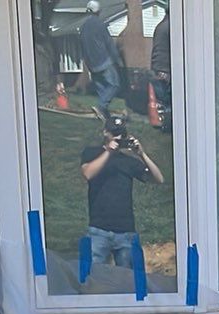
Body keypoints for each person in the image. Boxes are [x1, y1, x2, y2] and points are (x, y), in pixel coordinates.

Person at [80, 113, 164, 272]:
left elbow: (158, 179)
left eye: (121, 134)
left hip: (126, 232)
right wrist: (108, 152)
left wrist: (142, 154)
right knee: (94, 278)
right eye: (114, 133)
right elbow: (88, 173)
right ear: (106, 133)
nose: (117, 137)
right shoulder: (92, 153)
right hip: (99, 230)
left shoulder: (128, 162)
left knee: (128, 282)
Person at [79, 0, 124, 112]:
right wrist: (117, 59)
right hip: (104, 60)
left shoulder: (83, 27)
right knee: (114, 85)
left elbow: (82, 46)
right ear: (98, 11)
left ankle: (102, 112)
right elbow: (109, 43)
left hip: (91, 64)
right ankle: (101, 107)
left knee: (102, 89)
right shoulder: (100, 25)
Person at [149, 13, 172, 129]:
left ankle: (162, 122)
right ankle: (168, 125)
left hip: (157, 66)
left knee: (162, 99)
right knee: (168, 98)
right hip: (165, 67)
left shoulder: (160, 26)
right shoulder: (170, 26)